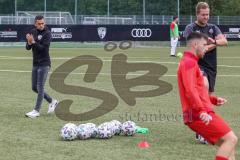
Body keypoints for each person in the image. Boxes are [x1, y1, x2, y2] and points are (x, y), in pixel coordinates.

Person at [177, 32, 237, 160]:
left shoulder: (191, 62)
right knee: (231, 139)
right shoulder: (189, 63)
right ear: (195, 44)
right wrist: (202, 110)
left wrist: (213, 100)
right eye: (204, 45)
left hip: (198, 111)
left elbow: (197, 91)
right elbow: (190, 90)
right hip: (198, 113)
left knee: (228, 146)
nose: (206, 48)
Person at [183, 2, 228, 143]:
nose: (206, 17)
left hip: (211, 67)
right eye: (203, 15)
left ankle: (203, 129)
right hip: (197, 65)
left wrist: (212, 41)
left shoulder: (213, 28)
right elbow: (194, 46)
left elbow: (224, 41)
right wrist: (212, 44)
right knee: (204, 86)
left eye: (207, 14)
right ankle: (202, 130)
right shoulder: (191, 28)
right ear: (197, 14)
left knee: (206, 99)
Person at [25, 15, 58, 118]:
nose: (41, 25)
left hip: (44, 64)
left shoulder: (47, 34)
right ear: (35, 24)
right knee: (34, 87)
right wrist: (29, 42)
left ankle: (36, 111)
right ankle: (52, 101)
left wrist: (33, 42)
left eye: (42, 23)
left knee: (40, 87)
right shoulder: (33, 32)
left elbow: (43, 49)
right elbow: (27, 48)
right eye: (39, 24)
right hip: (35, 63)